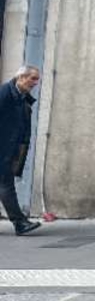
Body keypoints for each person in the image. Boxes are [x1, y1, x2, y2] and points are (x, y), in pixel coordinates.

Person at [1, 65, 40, 236]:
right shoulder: (5, 93)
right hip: (2, 149)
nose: (36, 83)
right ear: (21, 77)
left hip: (10, 148)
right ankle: (19, 223)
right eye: (33, 78)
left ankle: (20, 222)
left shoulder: (21, 96)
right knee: (6, 184)